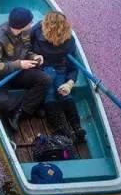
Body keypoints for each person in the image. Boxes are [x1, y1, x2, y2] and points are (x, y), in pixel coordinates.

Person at [0, 7, 52, 131]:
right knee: (1, 102)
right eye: (30, 22)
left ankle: (20, 112)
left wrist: (34, 56)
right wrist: (18, 64)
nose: (32, 24)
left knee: (45, 79)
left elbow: (27, 49)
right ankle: (27, 108)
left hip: (18, 72)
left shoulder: (25, 32)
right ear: (21, 25)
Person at [31, 11, 86, 143]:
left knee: (50, 94)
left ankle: (64, 131)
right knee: (63, 92)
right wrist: (69, 83)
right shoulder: (69, 40)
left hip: (42, 68)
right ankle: (77, 128)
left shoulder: (38, 30)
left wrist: (32, 56)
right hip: (59, 69)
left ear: (46, 26)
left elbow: (27, 46)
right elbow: (73, 65)